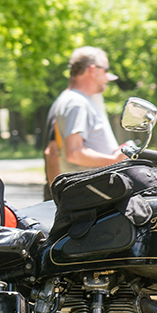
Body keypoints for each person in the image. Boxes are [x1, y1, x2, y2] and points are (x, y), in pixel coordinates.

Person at [43, 46, 128, 199]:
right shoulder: (76, 103)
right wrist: (115, 161)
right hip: (90, 196)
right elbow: (74, 153)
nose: (107, 77)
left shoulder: (78, 100)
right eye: (105, 70)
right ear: (92, 70)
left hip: (91, 194)